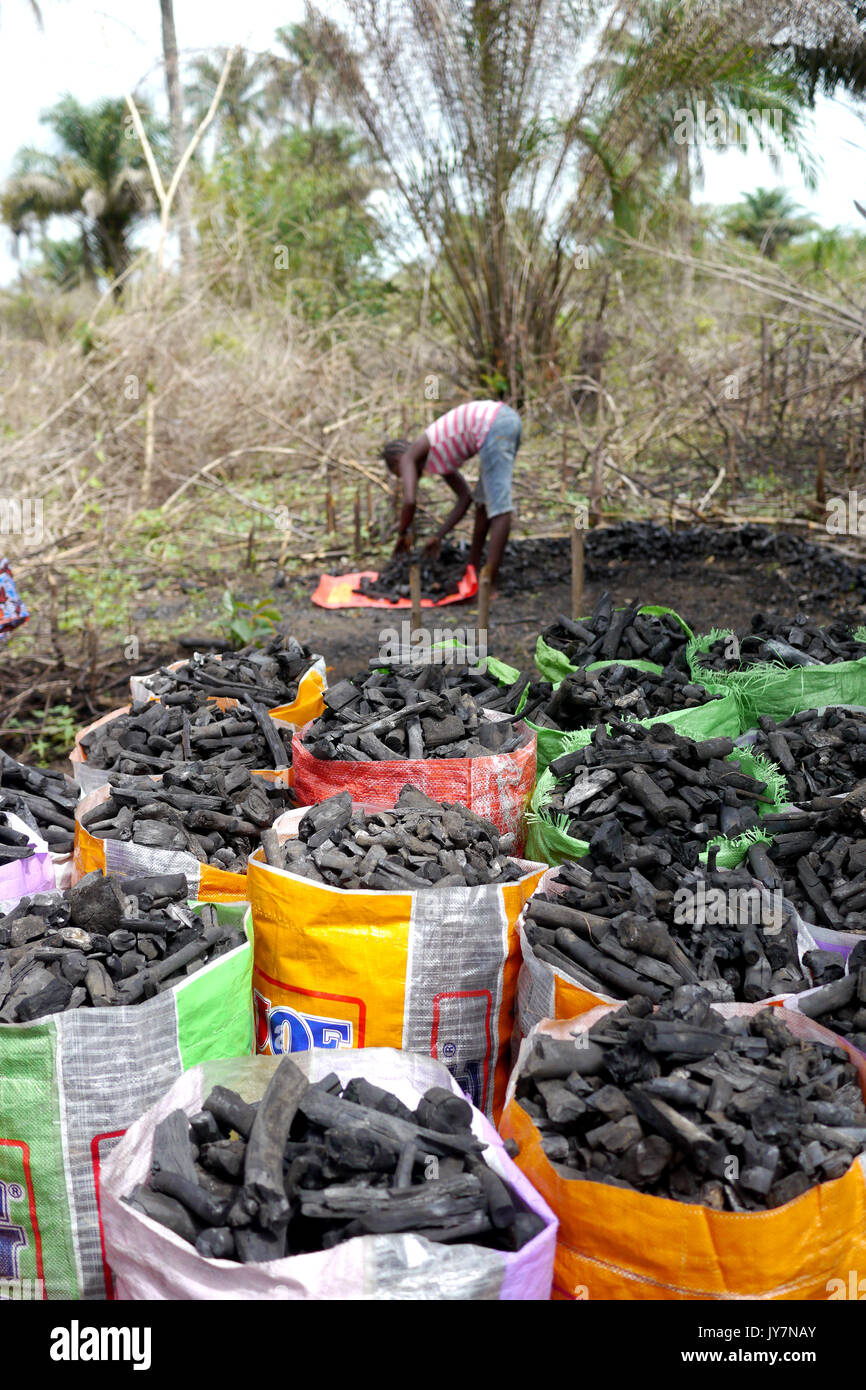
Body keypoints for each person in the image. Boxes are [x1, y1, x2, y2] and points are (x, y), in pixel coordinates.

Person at [381, 399, 521, 587]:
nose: (404, 477)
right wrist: (438, 535)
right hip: (500, 423)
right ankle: (472, 568)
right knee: (483, 504)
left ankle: (488, 584)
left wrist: (402, 535)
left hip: (494, 425)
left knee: (499, 508)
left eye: (399, 474)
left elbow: (409, 500)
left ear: (398, 462)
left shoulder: (408, 457)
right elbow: (465, 498)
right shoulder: (436, 455)